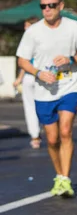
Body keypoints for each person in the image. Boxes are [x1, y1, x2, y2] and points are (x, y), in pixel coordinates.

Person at [16, 0, 77, 197]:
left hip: (69, 85)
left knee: (65, 130)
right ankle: (59, 175)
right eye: (43, 6)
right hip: (44, 90)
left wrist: (71, 59)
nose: (47, 10)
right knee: (51, 139)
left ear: (60, 6)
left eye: (51, 5)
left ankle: (65, 179)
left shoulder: (73, 27)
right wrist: (38, 72)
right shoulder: (33, 32)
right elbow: (22, 59)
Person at [14, 18, 41, 149]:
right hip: (36, 77)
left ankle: (36, 136)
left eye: (27, 25)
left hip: (36, 77)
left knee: (32, 107)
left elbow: (24, 62)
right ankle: (37, 134)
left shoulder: (29, 39)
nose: (25, 28)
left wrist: (19, 78)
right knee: (37, 106)